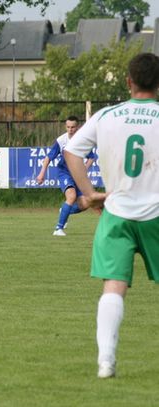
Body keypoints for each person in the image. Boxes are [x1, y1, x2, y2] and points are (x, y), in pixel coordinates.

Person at [64, 52, 159, 379]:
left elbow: (72, 151)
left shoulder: (107, 115)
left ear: (128, 81)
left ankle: (106, 360)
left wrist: (90, 194)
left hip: (116, 213)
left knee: (114, 287)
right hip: (157, 215)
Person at [36, 116, 96, 236]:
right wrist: (42, 173)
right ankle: (58, 229)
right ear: (66, 127)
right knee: (71, 196)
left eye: (73, 127)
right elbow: (48, 158)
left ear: (77, 127)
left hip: (77, 174)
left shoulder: (82, 140)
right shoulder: (61, 140)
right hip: (65, 173)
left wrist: (84, 168)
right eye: (68, 127)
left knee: (86, 203)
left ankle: (64, 210)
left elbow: (91, 157)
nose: (70, 129)